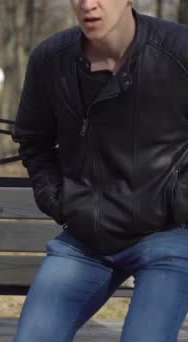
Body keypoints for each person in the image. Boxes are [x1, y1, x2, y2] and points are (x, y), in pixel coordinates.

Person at [12, 1, 188, 341]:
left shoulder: (178, 52)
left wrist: (180, 202)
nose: (88, 4)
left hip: (167, 234)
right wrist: (61, 202)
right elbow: (34, 141)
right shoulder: (51, 60)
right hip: (86, 239)